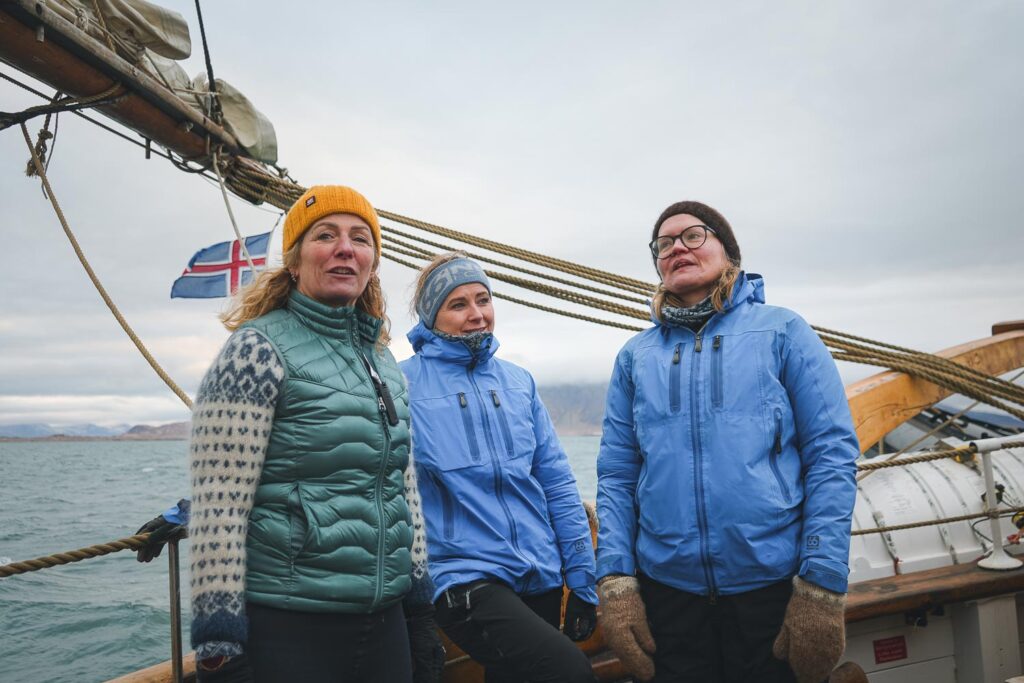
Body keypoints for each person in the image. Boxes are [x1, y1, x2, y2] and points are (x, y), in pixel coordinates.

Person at [183, 185, 443, 682]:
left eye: (360, 238)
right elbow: (220, 506)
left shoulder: (383, 360)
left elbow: (402, 490)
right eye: (326, 235)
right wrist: (220, 647)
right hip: (291, 622)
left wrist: (420, 608)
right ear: (295, 261)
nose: (345, 247)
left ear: (372, 262)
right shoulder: (256, 352)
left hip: (384, 619)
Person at [595, 202, 860, 683]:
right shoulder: (635, 357)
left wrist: (821, 586)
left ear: (728, 251)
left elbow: (831, 455)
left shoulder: (783, 332)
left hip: (772, 587)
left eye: (693, 235)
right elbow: (617, 474)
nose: (677, 247)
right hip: (668, 595)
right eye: (664, 244)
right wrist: (616, 583)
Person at [400, 253, 599, 683]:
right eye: (458, 305)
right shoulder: (402, 385)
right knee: (568, 670)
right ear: (432, 317)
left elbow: (557, 482)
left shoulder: (518, 382)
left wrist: (582, 577)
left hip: (537, 571)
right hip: (462, 576)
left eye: (483, 300)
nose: (476, 315)